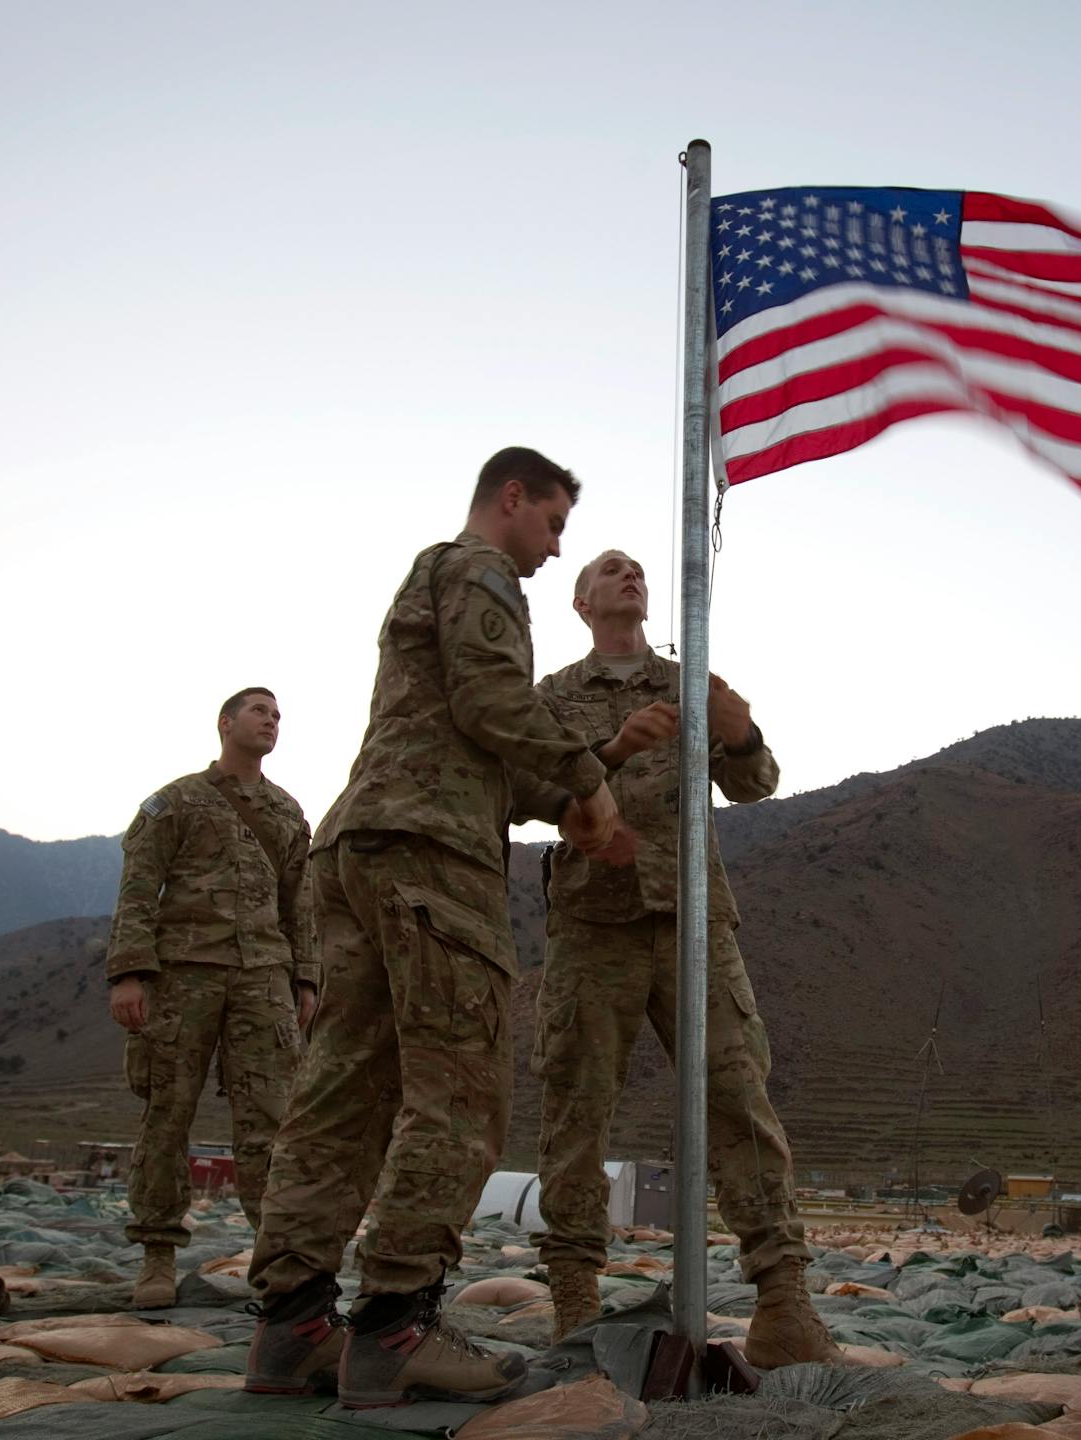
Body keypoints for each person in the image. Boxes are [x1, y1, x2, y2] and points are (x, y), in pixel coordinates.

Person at [244, 447, 626, 1406]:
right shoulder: (481, 571)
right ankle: (397, 1325)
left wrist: (582, 786)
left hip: (364, 847)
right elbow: (493, 703)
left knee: (343, 1092)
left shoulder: (437, 575)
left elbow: (479, 745)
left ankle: (291, 1328)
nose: (550, 550)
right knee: (457, 1092)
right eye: (552, 525)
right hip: (429, 859)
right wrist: (589, 780)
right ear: (513, 498)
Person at [521, 549, 837, 1368]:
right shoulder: (555, 696)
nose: (629, 575)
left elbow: (755, 782)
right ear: (581, 601)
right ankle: (575, 1302)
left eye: (636, 569)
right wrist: (613, 751)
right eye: (609, 570)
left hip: (693, 921)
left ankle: (783, 1302)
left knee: (738, 1097)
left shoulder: (690, 681)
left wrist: (742, 734)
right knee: (577, 1109)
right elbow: (525, 790)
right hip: (595, 923)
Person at [104, 687, 315, 1309]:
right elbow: (140, 888)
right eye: (260, 711)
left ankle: (279, 1262)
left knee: (272, 1123)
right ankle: (157, 1257)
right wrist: (129, 974)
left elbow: (300, 900)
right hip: (184, 974)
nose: (272, 722)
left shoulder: (285, 810)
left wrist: (305, 979)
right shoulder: (177, 802)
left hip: (262, 977)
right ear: (225, 723)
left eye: (278, 715)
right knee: (168, 1114)